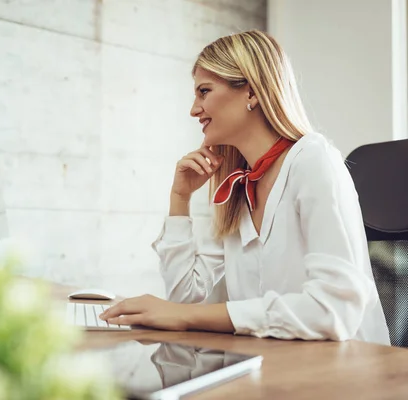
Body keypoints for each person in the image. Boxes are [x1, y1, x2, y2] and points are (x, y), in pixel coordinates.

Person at [99, 30, 390, 345]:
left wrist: (184, 316)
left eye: (204, 91)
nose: (194, 110)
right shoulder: (235, 186)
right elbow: (185, 297)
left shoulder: (314, 160)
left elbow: (333, 310)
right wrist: (179, 199)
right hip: (272, 368)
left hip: (342, 376)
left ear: (251, 93)